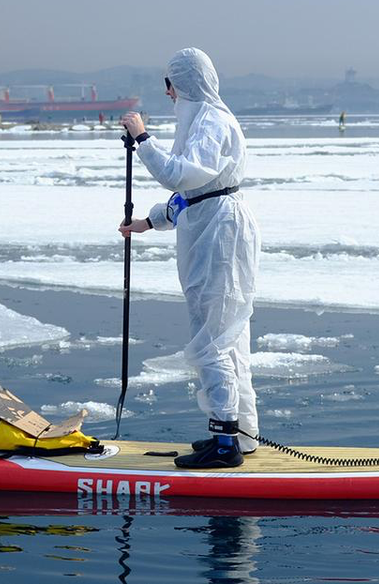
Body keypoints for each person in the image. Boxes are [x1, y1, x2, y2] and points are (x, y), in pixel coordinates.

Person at [119, 48, 260, 469]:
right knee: (227, 334)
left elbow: (185, 175)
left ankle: (224, 442)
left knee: (214, 335)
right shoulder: (201, 122)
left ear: (181, 84)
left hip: (220, 235)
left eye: (169, 85)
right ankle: (239, 433)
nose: (167, 94)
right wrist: (151, 220)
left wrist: (143, 140)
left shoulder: (213, 122)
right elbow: (195, 191)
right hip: (210, 225)